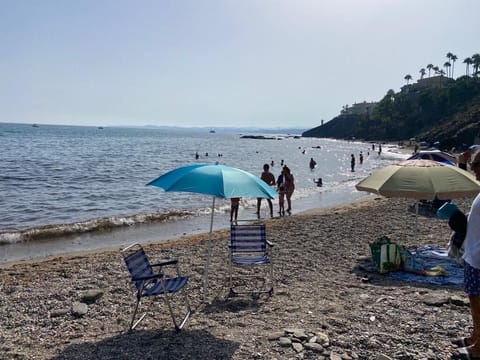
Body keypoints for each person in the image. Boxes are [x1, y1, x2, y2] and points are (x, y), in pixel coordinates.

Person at [451, 150, 480, 358]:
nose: (473, 170)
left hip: (479, 257)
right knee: (473, 299)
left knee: (479, 300)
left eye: (476, 165)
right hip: (473, 253)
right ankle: (475, 336)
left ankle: (479, 348)